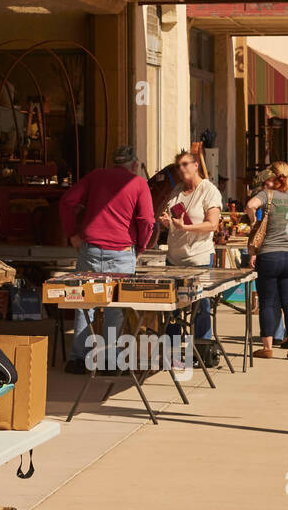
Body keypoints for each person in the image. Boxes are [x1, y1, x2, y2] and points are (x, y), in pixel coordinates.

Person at [58, 144, 156, 374]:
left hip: (90, 248)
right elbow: (147, 221)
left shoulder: (96, 176)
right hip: (121, 252)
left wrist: (72, 233)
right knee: (115, 307)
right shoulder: (138, 183)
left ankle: (78, 360)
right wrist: (140, 246)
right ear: (133, 164)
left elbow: (66, 201)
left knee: (84, 303)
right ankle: (111, 362)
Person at [160, 149, 223, 365]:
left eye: (186, 164)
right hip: (174, 257)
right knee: (172, 306)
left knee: (201, 305)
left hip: (199, 258)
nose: (182, 169)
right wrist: (167, 222)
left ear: (196, 165)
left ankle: (201, 351)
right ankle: (173, 353)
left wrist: (186, 226)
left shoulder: (209, 191)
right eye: (179, 166)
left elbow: (212, 225)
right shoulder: (177, 191)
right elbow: (173, 220)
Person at [246, 161, 288, 360]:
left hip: (269, 255)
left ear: (272, 177)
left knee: (268, 302)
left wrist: (253, 221)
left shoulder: (267, 195)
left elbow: (250, 206)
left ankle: (267, 347)